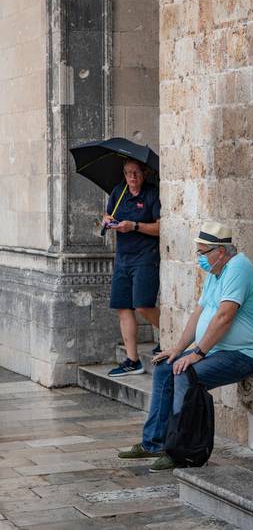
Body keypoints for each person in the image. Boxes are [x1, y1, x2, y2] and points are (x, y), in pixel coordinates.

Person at [118, 221, 253, 471]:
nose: (199, 258)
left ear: (220, 251)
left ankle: (180, 451)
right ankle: (153, 442)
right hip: (218, 350)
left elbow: (224, 316)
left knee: (184, 374)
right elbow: (199, 313)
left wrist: (198, 353)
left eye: (202, 252)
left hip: (244, 354)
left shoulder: (238, 269)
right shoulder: (216, 272)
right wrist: (178, 349)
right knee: (167, 368)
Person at [103, 158, 161, 377]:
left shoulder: (152, 194)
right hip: (123, 258)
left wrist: (134, 226)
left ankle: (168, 337)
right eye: (128, 173)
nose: (132, 178)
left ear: (144, 173)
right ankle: (132, 360)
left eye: (136, 173)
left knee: (143, 305)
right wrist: (107, 220)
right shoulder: (119, 193)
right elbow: (108, 215)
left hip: (146, 256)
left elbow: (160, 227)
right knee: (123, 307)